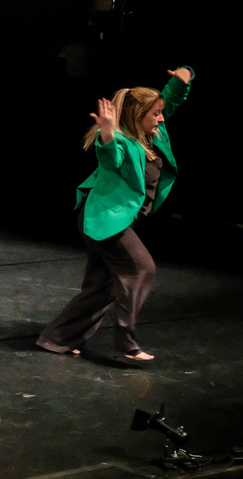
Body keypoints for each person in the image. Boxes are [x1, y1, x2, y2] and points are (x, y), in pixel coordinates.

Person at [37, 66, 195, 361]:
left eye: (160, 113)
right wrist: (107, 136)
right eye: (155, 114)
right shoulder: (122, 140)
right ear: (138, 117)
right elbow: (110, 160)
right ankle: (127, 346)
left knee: (102, 285)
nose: (161, 118)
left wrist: (181, 79)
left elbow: (168, 101)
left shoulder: (153, 133)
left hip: (106, 216)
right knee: (141, 269)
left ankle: (56, 338)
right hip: (102, 218)